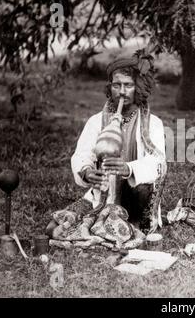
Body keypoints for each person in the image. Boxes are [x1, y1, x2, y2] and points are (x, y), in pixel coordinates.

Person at [46, 50, 166, 246]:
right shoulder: (96, 121)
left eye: (128, 85)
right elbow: (82, 154)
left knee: (141, 190)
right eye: (116, 85)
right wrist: (86, 172)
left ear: (139, 88)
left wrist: (129, 169)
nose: (122, 91)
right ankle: (109, 224)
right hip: (101, 197)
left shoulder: (153, 123)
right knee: (54, 228)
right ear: (110, 87)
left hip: (137, 198)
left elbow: (158, 163)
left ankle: (136, 223)